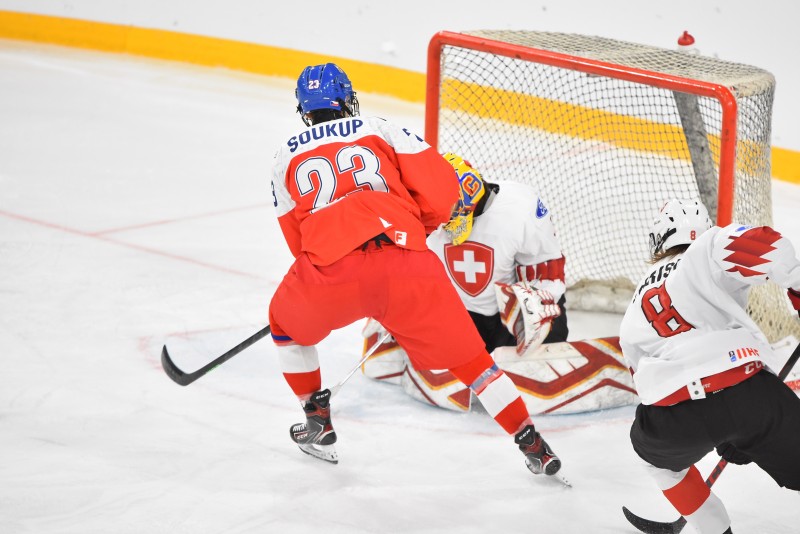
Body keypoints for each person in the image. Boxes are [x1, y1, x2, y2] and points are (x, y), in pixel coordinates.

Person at [268, 62, 563, 478]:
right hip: (407, 265)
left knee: (284, 326)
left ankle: (316, 417)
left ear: (304, 109)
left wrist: (324, 276)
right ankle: (532, 443)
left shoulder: (284, 156)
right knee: (474, 364)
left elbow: (297, 242)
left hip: (332, 272)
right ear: (346, 99)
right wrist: (409, 230)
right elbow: (444, 192)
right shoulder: (381, 128)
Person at [619, 199, 800, 534]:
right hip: (750, 393)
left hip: (673, 414)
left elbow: (640, 378)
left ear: (658, 240)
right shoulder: (708, 247)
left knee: (655, 461)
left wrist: (713, 423)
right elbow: (771, 247)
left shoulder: (636, 300)